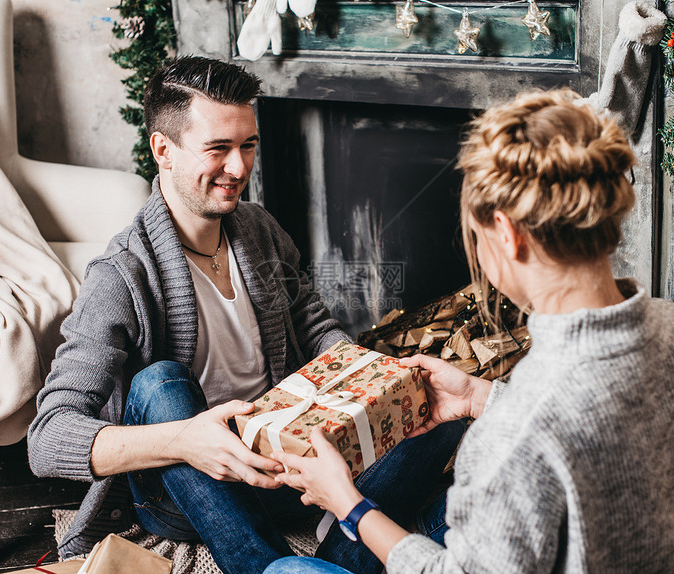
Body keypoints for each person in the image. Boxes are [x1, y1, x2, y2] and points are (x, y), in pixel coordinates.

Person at [264, 89, 674, 574]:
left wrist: (349, 504)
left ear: (507, 234)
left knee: (285, 572)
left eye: (476, 236)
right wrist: (480, 397)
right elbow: (573, 425)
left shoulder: (511, 437)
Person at [26, 55, 465, 574]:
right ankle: (268, 564)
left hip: (287, 459)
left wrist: (364, 377)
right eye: (218, 149)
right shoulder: (120, 276)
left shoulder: (258, 228)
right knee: (160, 382)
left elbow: (314, 324)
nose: (239, 168)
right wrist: (184, 441)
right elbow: (47, 440)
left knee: (438, 404)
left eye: (248, 145)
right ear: (162, 150)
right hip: (191, 486)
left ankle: (323, 565)